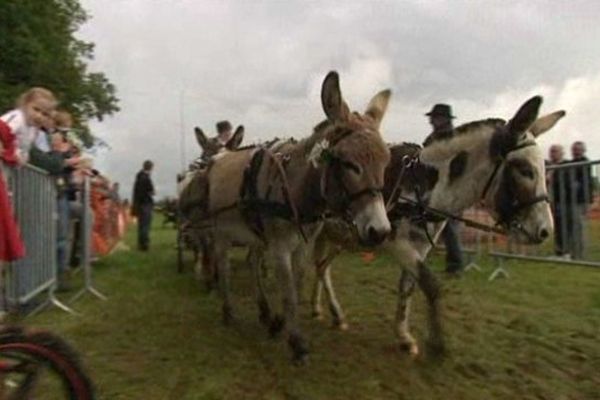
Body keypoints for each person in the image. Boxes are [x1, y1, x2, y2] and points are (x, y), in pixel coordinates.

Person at [423, 104, 464, 275]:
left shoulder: (452, 139)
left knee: (449, 227)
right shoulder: (433, 138)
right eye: (432, 117)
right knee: (435, 225)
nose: (431, 120)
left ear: (444, 119)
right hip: (435, 187)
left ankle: (455, 267)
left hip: (450, 188)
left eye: (435, 117)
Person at [0, 87, 57, 164]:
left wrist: (23, 156)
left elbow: (23, 147)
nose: (39, 116)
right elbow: (2, 132)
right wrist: (13, 153)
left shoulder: (33, 130)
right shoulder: (17, 118)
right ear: (25, 104)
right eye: (36, 109)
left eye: (45, 114)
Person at [569, 141, 593, 259]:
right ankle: (574, 252)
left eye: (578, 149)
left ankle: (580, 254)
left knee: (580, 227)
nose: (575, 151)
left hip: (581, 200)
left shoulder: (585, 162)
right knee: (573, 227)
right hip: (571, 201)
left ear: (583, 150)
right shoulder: (571, 163)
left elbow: (585, 183)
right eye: (574, 149)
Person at [546, 145, 570, 257]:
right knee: (556, 226)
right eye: (551, 151)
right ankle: (558, 251)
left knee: (563, 226)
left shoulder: (566, 165)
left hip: (563, 201)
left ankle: (565, 251)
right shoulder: (549, 166)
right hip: (552, 200)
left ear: (561, 153)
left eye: (555, 151)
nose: (552, 154)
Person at [132, 160, 155, 251]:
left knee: (141, 225)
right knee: (146, 225)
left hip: (139, 204)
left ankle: (141, 244)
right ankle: (145, 245)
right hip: (146, 203)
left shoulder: (139, 176)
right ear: (151, 167)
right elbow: (151, 191)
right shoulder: (146, 178)